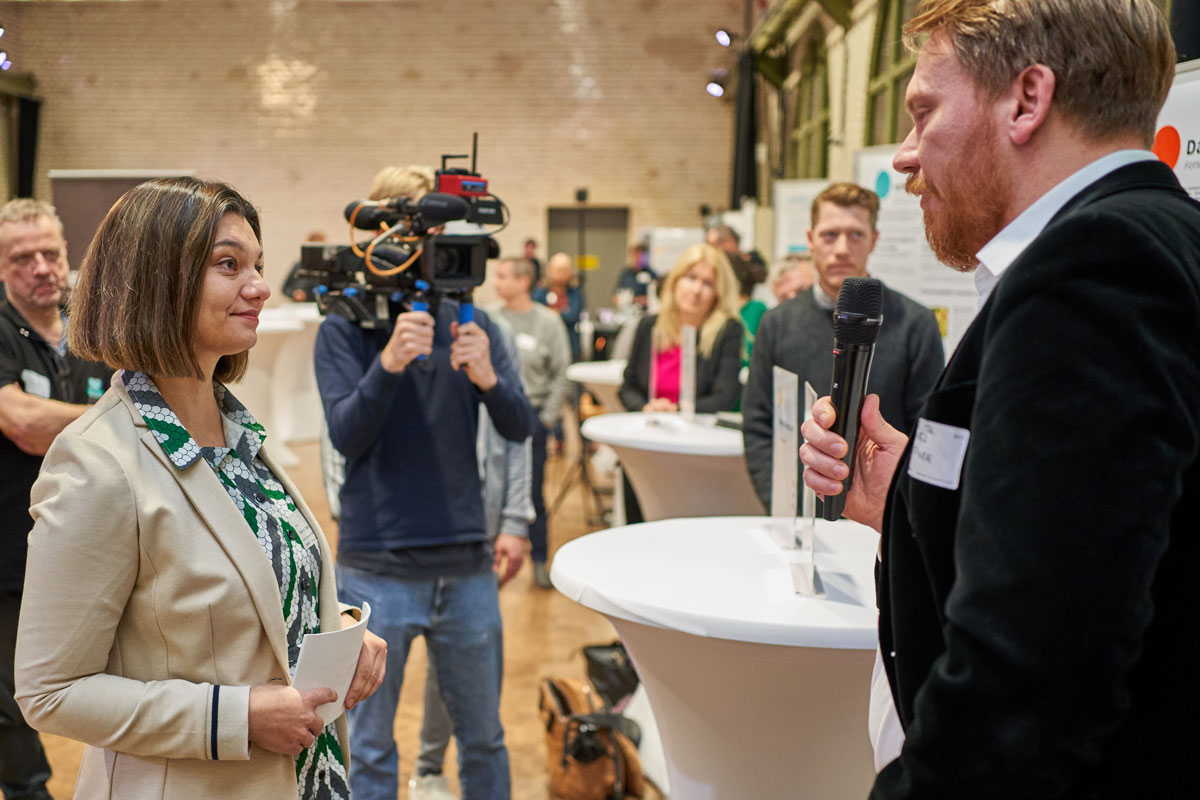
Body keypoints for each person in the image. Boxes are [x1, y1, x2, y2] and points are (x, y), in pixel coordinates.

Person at [799, 2, 1197, 796]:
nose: (905, 158)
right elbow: (1102, 538)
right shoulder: (1156, 237)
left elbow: (1028, 684)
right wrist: (912, 497)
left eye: (922, 113)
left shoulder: (1093, 268)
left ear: (1026, 99)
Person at [13, 177, 386, 800]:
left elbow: (245, 596)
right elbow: (51, 692)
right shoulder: (97, 462)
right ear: (160, 281)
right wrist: (234, 718)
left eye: (257, 264)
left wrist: (339, 628)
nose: (261, 286)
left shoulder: (237, 431)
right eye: (228, 264)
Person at [315, 165, 532, 800]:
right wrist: (387, 364)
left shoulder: (473, 325)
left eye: (434, 226)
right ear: (377, 230)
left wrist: (489, 378)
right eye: (409, 224)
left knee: (484, 737)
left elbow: (520, 427)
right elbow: (345, 435)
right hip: (377, 565)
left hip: (465, 567)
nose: (423, 240)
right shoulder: (346, 326)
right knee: (371, 747)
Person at [0, 199, 111, 800]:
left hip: (97, 542)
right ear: (1, 266)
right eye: (22, 258)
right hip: (11, 550)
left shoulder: (93, 323)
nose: (41, 267)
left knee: (120, 674)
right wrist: (117, 420)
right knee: (14, 695)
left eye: (51, 253)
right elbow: (22, 422)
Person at [742, 182, 943, 512]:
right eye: (829, 235)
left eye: (855, 235)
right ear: (810, 239)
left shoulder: (914, 324)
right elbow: (759, 424)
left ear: (874, 240)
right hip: (798, 513)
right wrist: (784, 504)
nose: (841, 249)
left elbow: (925, 431)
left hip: (882, 515)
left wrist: (894, 513)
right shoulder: (777, 323)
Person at [411, 317, 534, 800]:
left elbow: (516, 430)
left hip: (476, 530)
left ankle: (428, 766)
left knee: (460, 661)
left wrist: (515, 521)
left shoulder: (489, 331)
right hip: (401, 534)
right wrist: (342, 503)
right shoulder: (382, 324)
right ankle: (427, 766)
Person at [618, 244, 743, 522]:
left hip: (696, 453)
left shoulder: (727, 331)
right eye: (690, 278)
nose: (696, 289)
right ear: (674, 282)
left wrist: (675, 411)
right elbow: (627, 387)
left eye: (707, 283)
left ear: (718, 292)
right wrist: (649, 407)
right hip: (646, 445)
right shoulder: (649, 326)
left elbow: (725, 397)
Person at [490, 256, 570, 589]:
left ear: (524, 281)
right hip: (493, 415)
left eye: (504, 276)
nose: (497, 283)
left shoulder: (548, 323)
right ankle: (490, 559)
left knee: (533, 493)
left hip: (532, 417)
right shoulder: (490, 320)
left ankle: (539, 559)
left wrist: (547, 418)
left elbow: (561, 373)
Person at [532, 252, 583, 360]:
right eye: (558, 270)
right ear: (550, 271)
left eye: (565, 270)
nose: (561, 273)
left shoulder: (575, 292)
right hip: (543, 344)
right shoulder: (539, 292)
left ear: (570, 272)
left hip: (570, 344)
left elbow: (573, 316)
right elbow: (536, 314)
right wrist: (560, 312)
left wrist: (550, 312)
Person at [612, 242, 655, 309]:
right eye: (634, 256)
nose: (636, 260)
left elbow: (656, 298)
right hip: (627, 311)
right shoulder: (625, 274)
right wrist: (626, 300)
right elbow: (615, 296)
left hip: (645, 313)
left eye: (639, 257)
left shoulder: (651, 274)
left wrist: (645, 300)